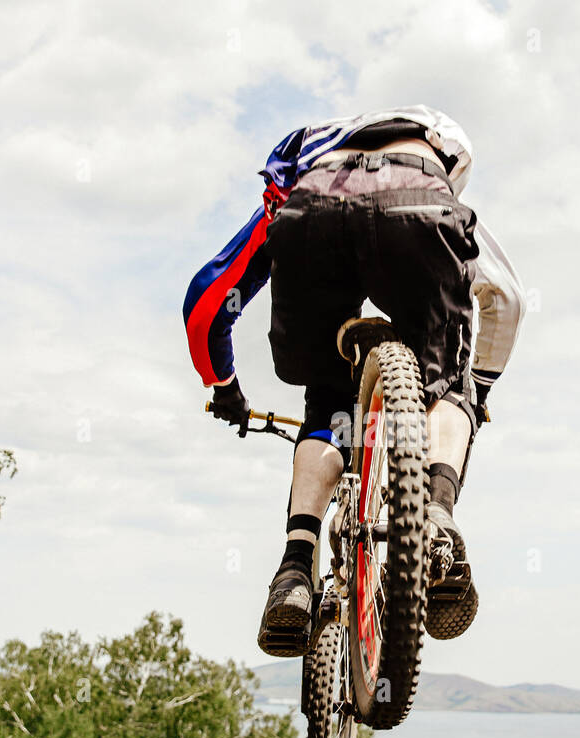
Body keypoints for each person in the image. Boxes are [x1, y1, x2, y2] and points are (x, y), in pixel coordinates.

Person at [183, 105, 525, 657]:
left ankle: (295, 570)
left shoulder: (299, 184)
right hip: (416, 215)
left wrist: (224, 387)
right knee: (449, 381)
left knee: (327, 401)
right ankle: (436, 515)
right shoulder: (428, 180)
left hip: (311, 221)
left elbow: (206, 303)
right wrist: (471, 394)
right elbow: (507, 300)